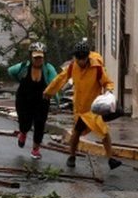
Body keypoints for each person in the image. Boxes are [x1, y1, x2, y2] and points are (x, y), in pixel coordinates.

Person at [43, 39, 121, 170]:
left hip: (94, 108)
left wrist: (109, 90)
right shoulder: (73, 67)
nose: (80, 61)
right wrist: (49, 91)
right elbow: (61, 78)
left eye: (82, 58)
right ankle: (71, 156)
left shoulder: (97, 68)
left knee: (104, 132)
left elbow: (107, 82)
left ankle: (110, 158)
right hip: (80, 108)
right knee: (76, 133)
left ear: (87, 57)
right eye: (78, 58)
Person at [7, 42, 59, 159]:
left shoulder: (48, 69)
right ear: (31, 56)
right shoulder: (24, 67)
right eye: (35, 57)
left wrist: (56, 97)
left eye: (40, 57)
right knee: (24, 121)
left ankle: (35, 149)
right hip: (24, 99)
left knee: (39, 124)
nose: (38, 60)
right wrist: (19, 80)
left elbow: (55, 83)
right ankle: (23, 133)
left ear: (44, 57)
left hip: (41, 101)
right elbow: (10, 71)